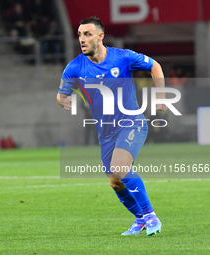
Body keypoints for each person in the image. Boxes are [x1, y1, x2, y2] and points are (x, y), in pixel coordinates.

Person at [56, 17, 167, 236]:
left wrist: (161, 96)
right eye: (79, 34)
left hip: (132, 122)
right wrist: (63, 100)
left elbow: (155, 66)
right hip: (105, 132)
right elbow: (61, 94)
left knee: (119, 167)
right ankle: (140, 219)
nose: (82, 39)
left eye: (87, 34)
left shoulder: (123, 57)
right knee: (115, 182)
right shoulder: (75, 67)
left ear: (100, 36)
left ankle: (151, 216)